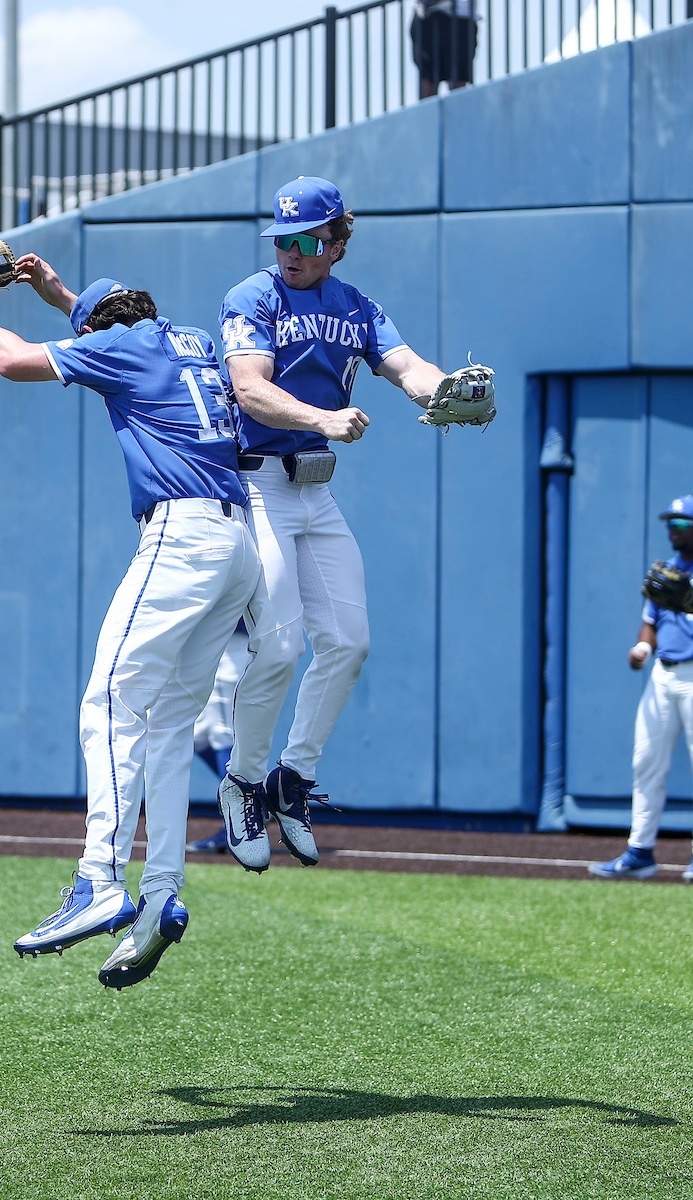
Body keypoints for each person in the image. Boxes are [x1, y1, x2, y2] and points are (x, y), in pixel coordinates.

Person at [0, 255, 260, 987]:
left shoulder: (118, 347)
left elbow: (10, 360)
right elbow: (112, 332)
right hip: (237, 544)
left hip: (181, 536)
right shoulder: (189, 341)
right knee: (171, 728)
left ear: (96, 330)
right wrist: (63, 297)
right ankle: (160, 897)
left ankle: (99, 880)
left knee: (111, 700)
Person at [216, 175, 453, 874]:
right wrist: (323, 418)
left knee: (349, 643)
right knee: (282, 646)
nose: (289, 251)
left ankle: (292, 777)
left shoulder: (356, 305)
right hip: (258, 483)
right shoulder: (253, 295)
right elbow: (249, 386)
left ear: (337, 244)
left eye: (305, 239)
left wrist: (446, 391)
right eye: (281, 238)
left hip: (314, 493)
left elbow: (406, 366)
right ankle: (243, 783)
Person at [590, 495, 693, 882]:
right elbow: (650, 620)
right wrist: (643, 647)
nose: (673, 530)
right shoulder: (666, 570)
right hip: (663, 674)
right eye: (671, 523)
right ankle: (640, 852)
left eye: (682, 524)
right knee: (645, 763)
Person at [187, 621, 251, 854]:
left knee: (225, 736)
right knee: (197, 736)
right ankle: (253, 800)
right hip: (213, 644)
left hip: (237, 644)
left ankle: (240, 821)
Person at [410, 0, 478, 98]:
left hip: (458, 17)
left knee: (457, 79)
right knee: (429, 79)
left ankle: (457, 111)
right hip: (427, 16)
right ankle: (429, 112)